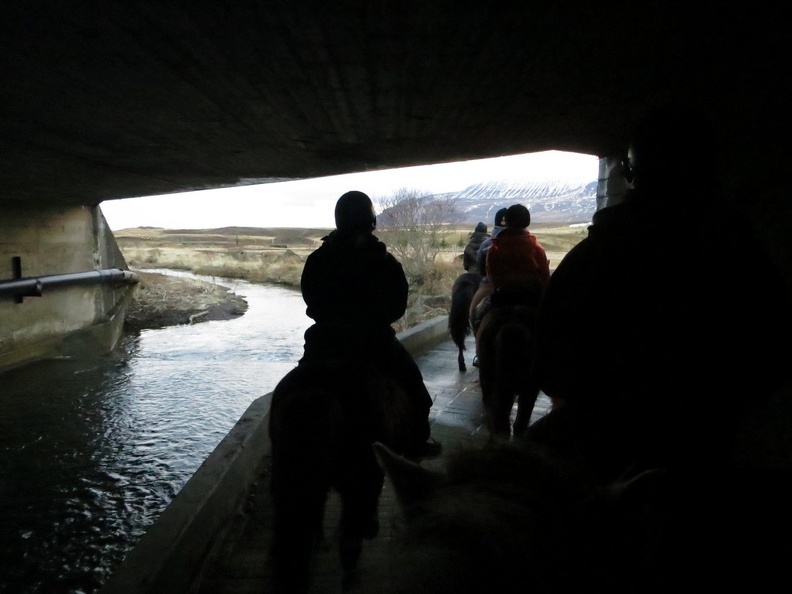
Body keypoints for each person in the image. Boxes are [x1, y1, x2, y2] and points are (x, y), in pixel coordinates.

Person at [528, 104, 792, 482]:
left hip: (605, 458)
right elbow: (771, 367)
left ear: (633, 173)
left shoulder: (592, 259)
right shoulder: (745, 260)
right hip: (707, 450)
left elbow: (551, 368)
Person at [299, 190, 442, 458]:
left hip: (325, 341)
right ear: (371, 221)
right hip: (373, 343)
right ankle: (416, 445)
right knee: (417, 393)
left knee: (296, 388)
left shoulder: (317, 259)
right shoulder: (384, 262)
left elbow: (311, 301)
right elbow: (396, 308)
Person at [470, 204, 550, 366]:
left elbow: (493, 279)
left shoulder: (495, 248)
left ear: (506, 222)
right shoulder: (537, 248)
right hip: (532, 299)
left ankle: (480, 354)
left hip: (503, 299)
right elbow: (545, 279)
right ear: (527, 222)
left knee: (479, 317)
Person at [468, 208, 507, 348]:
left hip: (491, 284)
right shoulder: (532, 243)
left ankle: (479, 346)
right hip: (523, 287)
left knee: (474, 312)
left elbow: (480, 268)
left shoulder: (487, 244)